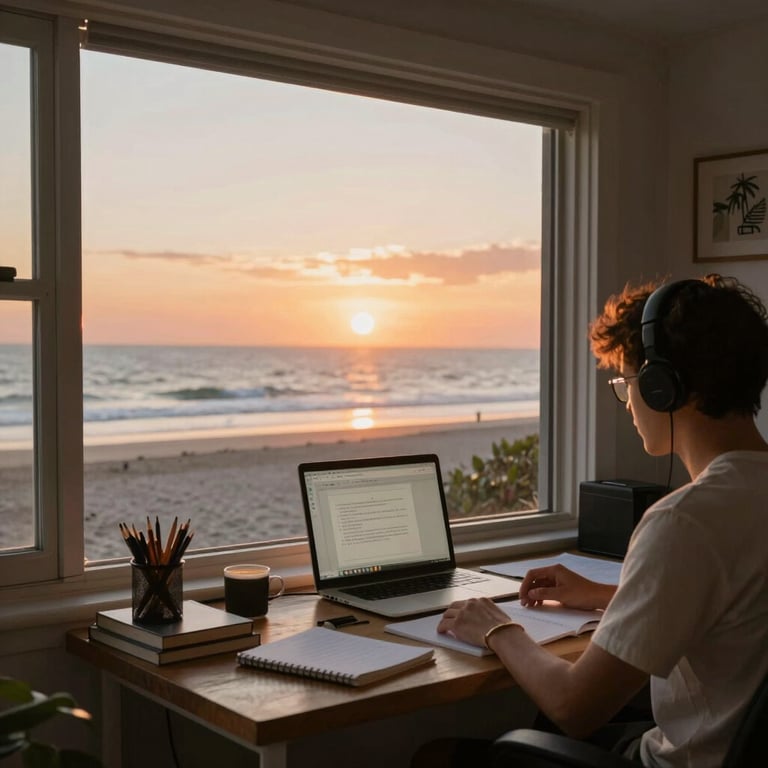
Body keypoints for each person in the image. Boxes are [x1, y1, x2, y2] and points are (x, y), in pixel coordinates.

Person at [412, 274, 768, 767]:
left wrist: (498, 628)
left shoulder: (686, 522)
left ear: (663, 387)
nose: (627, 402)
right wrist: (609, 596)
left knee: (438, 756)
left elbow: (574, 708)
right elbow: (737, 610)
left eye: (626, 382)